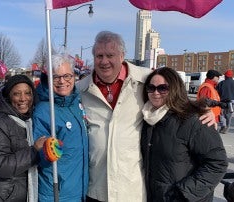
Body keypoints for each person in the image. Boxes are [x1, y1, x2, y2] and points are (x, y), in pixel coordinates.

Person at [76, 30, 216, 202]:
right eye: (99, 56)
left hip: (132, 190)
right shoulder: (80, 89)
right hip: (96, 189)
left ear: (122, 56)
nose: (104, 61)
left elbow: (174, 98)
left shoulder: (146, 80)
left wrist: (200, 110)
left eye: (110, 55)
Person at [141, 67, 227, 201]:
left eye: (162, 88)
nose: (155, 92)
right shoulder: (147, 119)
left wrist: (183, 193)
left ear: (175, 89)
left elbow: (217, 163)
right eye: (151, 88)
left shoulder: (194, 121)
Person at [0, 74, 47, 201]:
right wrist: (33, 151)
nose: (23, 98)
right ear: (7, 96)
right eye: (17, 94)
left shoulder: (29, 120)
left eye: (28, 93)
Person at [33, 54, 88, 201]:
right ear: (48, 80)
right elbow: (38, 155)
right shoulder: (44, 110)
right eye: (56, 77)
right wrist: (46, 151)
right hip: (57, 194)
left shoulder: (77, 104)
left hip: (80, 189)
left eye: (67, 76)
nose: (62, 81)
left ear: (74, 77)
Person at [217, 69, 234, 133]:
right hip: (232, 102)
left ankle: (223, 126)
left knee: (221, 114)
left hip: (222, 102)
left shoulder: (221, 83)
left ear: (225, 76)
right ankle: (227, 127)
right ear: (232, 76)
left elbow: (217, 92)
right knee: (229, 115)